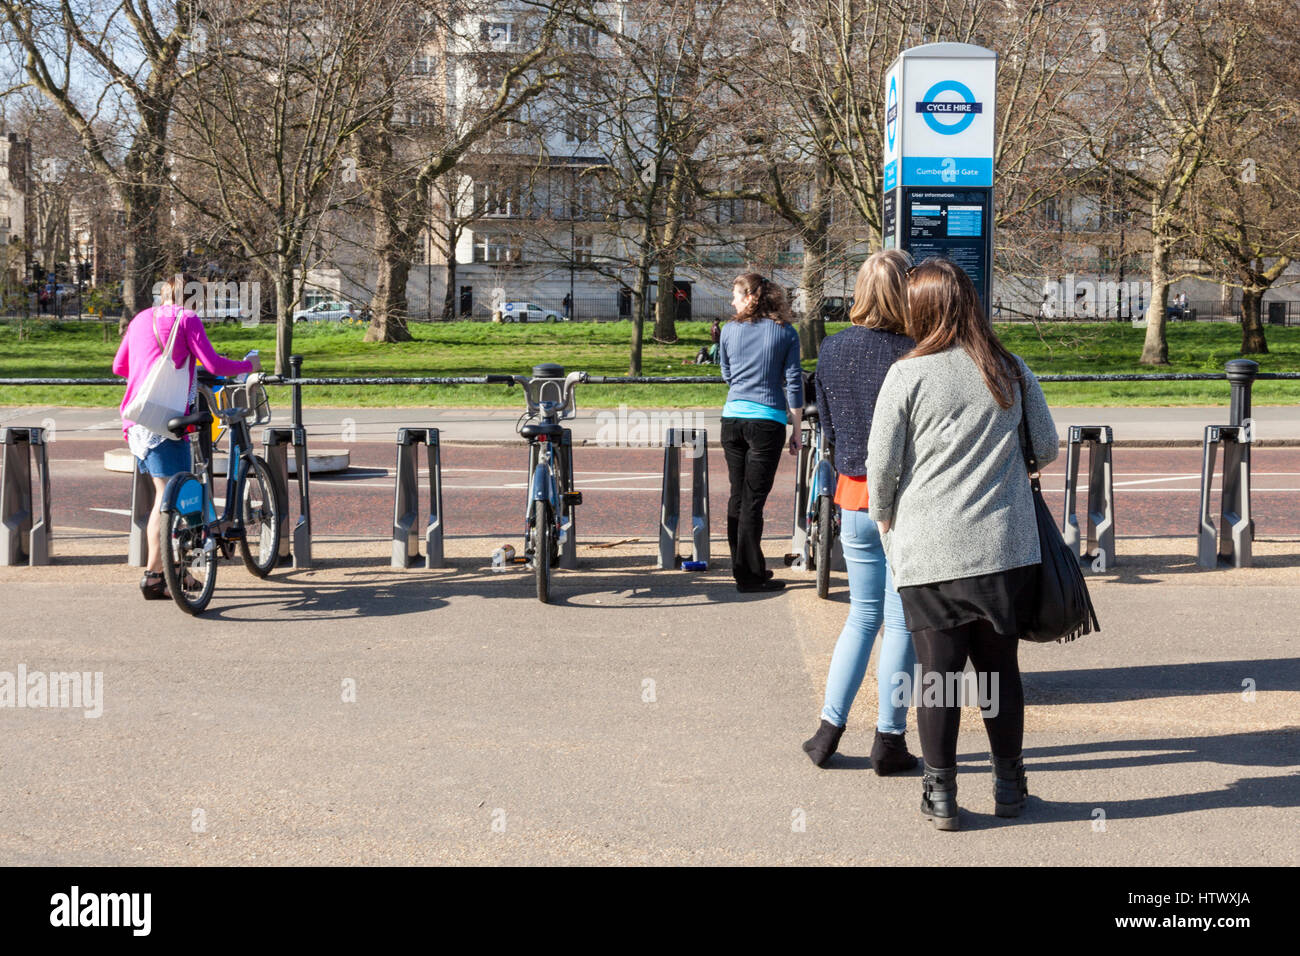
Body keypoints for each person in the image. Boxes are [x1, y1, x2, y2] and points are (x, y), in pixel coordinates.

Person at [868, 257, 1058, 831]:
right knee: (1000, 672)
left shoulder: (907, 374)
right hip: (1005, 550)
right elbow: (1045, 447)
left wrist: (886, 523)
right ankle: (1010, 784)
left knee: (938, 677)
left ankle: (942, 794)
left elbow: (881, 471)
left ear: (920, 309)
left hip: (930, 553)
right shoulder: (1010, 368)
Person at [802, 250, 919, 773]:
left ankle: (828, 730)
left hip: (852, 492)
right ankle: (889, 740)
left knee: (861, 615)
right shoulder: (916, 351)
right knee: (901, 623)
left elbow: (826, 422)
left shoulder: (833, 347)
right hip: (907, 503)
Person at [113, 273, 259, 600]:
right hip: (166, 422)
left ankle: (175, 573)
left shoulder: (140, 319)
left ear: (163, 293)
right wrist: (248, 366)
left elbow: (119, 367)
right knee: (167, 502)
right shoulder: (187, 318)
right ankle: (155, 577)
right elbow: (214, 363)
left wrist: (153, 372)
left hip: (137, 421)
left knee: (165, 497)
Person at [718, 273, 802, 593]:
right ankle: (749, 575)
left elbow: (727, 374)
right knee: (753, 501)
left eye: (736, 295)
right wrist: (795, 429)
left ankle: (745, 566)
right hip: (766, 421)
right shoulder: (785, 332)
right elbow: (793, 382)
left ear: (751, 296)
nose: (732, 301)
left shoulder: (728, 331)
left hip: (732, 419)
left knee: (738, 496)